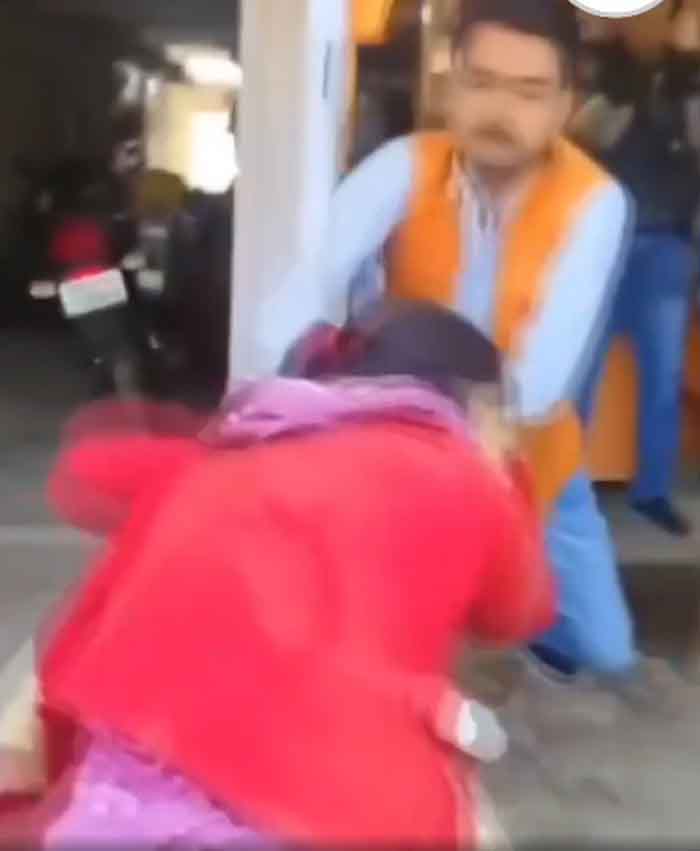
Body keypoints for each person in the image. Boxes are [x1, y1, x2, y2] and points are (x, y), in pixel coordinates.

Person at [2, 302, 553, 848]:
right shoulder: (460, 476)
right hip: (300, 800)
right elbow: (521, 611)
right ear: (480, 410)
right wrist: (511, 483)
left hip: (124, 784)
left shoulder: (242, 448)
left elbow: (89, 476)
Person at [263, 0, 636, 683]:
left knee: (604, 656)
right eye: (481, 81)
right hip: (399, 445)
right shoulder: (402, 166)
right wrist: (275, 401)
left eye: (529, 92)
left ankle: (512, 628)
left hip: (534, 456)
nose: (500, 110)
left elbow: (539, 383)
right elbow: (307, 283)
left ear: (565, 105)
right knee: (373, 640)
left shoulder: (595, 201)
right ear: (449, 82)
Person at [574, 0, 700, 536]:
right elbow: (585, 137)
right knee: (580, 370)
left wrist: (685, 76)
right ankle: (563, 482)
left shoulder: (688, 81)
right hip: (602, 245)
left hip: (667, 242)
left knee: (663, 376)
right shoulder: (607, 68)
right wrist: (625, 85)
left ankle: (653, 491)